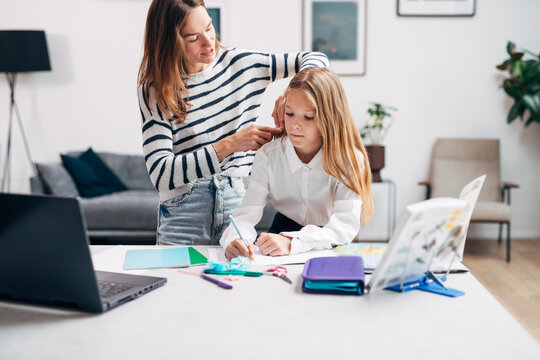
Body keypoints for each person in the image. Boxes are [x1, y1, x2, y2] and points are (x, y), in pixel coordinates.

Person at [137, 0, 329, 245]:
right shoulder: (154, 90)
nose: (208, 43)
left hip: (236, 208)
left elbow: (317, 58)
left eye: (209, 28)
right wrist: (228, 145)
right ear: (169, 42)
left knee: (238, 281)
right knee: (177, 284)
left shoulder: (242, 64)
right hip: (182, 216)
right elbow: (162, 175)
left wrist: (292, 94)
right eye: (193, 37)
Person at [221, 67, 374, 260]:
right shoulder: (269, 155)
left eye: (308, 117)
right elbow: (246, 215)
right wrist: (236, 239)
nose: (294, 125)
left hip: (329, 240)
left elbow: (343, 227)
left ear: (330, 118)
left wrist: (293, 242)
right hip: (281, 233)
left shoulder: (349, 160)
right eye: (290, 113)